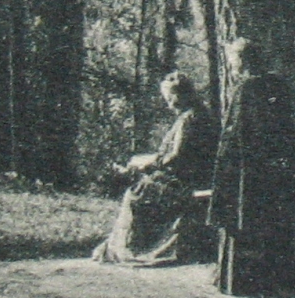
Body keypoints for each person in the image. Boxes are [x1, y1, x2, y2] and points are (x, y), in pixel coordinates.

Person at [206, 38, 295, 298]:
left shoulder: (247, 89)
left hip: (249, 172)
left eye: (233, 59)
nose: (232, 65)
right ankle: (282, 282)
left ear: (242, 60)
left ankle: (247, 283)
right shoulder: (279, 85)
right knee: (273, 224)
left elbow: (237, 135)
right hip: (275, 170)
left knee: (246, 221)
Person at [92, 73, 220, 266]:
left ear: (178, 96)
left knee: (137, 193)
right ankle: (124, 246)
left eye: (169, 98)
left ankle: (133, 248)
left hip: (186, 181)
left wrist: (148, 165)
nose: (168, 103)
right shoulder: (200, 114)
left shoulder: (189, 119)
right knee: (144, 183)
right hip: (197, 176)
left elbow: (177, 157)